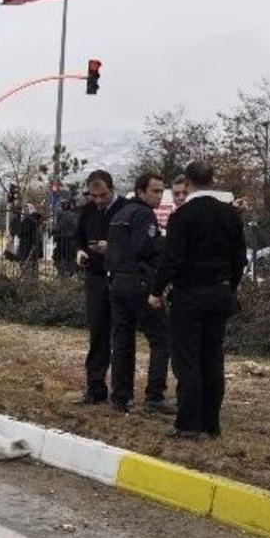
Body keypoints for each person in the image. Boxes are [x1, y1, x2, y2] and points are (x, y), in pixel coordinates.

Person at [149, 161, 247, 439]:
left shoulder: (183, 216)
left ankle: (188, 424)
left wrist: (156, 291)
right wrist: (229, 287)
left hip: (190, 295)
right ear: (212, 180)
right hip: (220, 293)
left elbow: (172, 259)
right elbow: (239, 258)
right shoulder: (229, 215)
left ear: (188, 182)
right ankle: (211, 424)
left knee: (187, 359)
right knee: (213, 358)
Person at [106, 173, 174, 415]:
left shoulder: (120, 214)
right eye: (155, 191)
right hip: (138, 282)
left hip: (118, 282)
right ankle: (154, 397)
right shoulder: (144, 215)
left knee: (122, 340)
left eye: (161, 191)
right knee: (161, 339)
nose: (159, 196)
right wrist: (155, 280)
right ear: (141, 192)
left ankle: (120, 397)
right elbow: (145, 250)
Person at [75, 169, 129, 404]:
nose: (98, 200)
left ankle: (122, 392)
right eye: (94, 196)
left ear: (112, 189)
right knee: (98, 331)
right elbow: (78, 235)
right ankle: (95, 386)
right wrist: (80, 251)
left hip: (119, 277)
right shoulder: (88, 210)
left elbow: (137, 244)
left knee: (121, 334)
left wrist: (113, 247)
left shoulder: (126, 209)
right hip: (95, 276)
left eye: (103, 195)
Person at [53, 198, 79, 277]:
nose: (61, 206)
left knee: (65, 259)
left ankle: (66, 274)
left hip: (66, 241)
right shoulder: (71, 214)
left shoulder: (67, 215)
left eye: (63, 204)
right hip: (66, 240)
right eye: (61, 204)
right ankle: (66, 273)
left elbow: (58, 228)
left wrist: (56, 232)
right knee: (66, 258)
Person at [16, 203, 43, 279]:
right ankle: (33, 284)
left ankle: (28, 284)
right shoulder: (36, 221)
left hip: (26, 251)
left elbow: (20, 233)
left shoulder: (27, 222)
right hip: (33, 251)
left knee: (27, 275)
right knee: (33, 273)